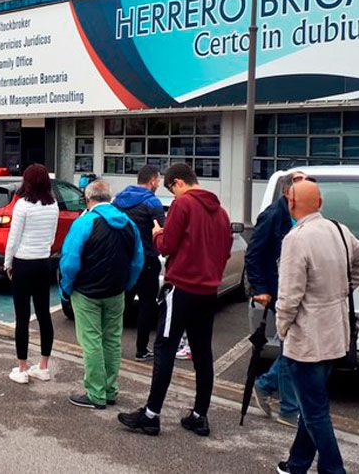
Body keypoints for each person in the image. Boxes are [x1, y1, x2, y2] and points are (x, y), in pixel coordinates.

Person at [272, 180, 359, 474]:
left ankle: (334, 470)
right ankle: (296, 465)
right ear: (319, 203)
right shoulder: (339, 229)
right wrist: (343, 290)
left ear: (291, 205)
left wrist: (281, 328)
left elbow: (289, 296)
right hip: (335, 334)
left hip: (307, 339)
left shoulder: (296, 239)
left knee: (315, 412)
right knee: (312, 405)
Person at [119, 163, 232, 438]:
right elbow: (226, 250)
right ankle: (198, 415)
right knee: (203, 354)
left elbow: (167, 246)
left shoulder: (183, 206)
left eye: (172, 188)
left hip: (180, 288)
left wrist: (158, 233)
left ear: (178, 182)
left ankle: (151, 414)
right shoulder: (221, 212)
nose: (172, 193)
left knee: (165, 349)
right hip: (208, 292)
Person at [60, 180, 143, 410]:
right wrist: (127, 285)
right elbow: (137, 260)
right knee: (112, 340)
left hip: (87, 292)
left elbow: (69, 262)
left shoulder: (84, 222)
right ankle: (110, 389)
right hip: (116, 292)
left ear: (88, 199)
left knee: (92, 342)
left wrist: (66, 290)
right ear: (110, 197)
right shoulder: (128, 224)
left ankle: (96, 394)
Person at [247, 170, 309, 427]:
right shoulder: (273, 215)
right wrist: (260, 288)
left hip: (300, 288)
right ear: (287, 192)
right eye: (299, 187)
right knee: (291, 345)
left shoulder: (305, 216)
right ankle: (289, 408)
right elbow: (254, 253)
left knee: (295, 346)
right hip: (278, 289)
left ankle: (266, 384)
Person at [4, 163, 60, 384]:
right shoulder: (53, 205)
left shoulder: (22, 206)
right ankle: (43, 366)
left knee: (22, 316)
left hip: (23, 263)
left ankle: (22, 367)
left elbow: (13, 239)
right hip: (43, 263)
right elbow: (53, 237)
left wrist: (8, 263)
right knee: (44, 314)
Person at [113, 165, 167, 362]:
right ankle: (141, 350)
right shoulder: (152, 202)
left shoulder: (119, 199)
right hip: (147, 260)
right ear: (152, 180)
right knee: (146, 305)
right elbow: (163, 229)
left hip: (125, 258)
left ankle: (113, 347)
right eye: (158, 180)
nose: (159, 184)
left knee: (121, 304)